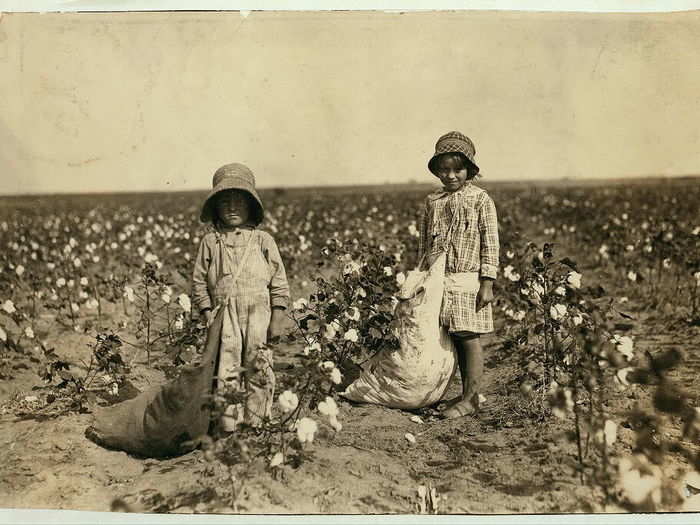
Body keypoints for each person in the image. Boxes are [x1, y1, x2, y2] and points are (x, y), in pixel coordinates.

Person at [192, 163, 290, 430]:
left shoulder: (263, 241)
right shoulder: (210, 243)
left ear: (250, 205)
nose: (232, 207)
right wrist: (206, 313)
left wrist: (277, 318)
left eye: (239, 201)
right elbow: (199, 282)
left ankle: (258, 422)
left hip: (259, 313)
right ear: (215, 208)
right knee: (226, 368)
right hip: (224, 316)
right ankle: (229, 426)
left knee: (259, 366)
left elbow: (279, 282)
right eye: (225, 201)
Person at [418, 131, 500, 419]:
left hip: (468, 278)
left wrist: (487, 283)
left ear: (470, 170)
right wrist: (422, 276)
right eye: (444, 170)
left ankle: (473, 397)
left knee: (468, 336)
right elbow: (424, 244)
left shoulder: (480, 199)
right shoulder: (432, 202)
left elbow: (490, 241)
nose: (451, 176)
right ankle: (464, 394)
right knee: (451, 335)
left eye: (457, 169)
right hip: (440, 279)